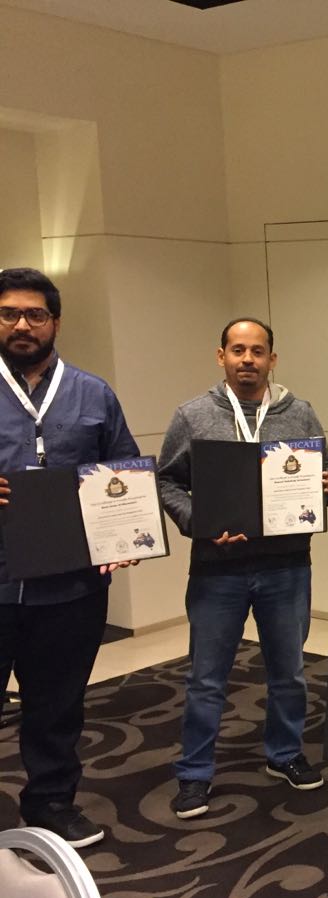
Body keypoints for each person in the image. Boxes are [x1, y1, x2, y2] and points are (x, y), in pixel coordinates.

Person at [158, 318, 328, 818]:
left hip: (286, 566)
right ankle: (195, 773)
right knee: (206, 678)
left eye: (258, 351)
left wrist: (327, 485)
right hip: (217, 569)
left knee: (290, 672)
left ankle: (285, 754)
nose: (247, 360)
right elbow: (168, 481)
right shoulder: (193, 415)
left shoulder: (299, 412)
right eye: (238, 350)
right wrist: (198, 522)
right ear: (221, 356)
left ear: (271, 360)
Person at [0, 267, 140, 847]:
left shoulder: (93, 393)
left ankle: (52, 804)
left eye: (35, 314)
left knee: (57, 705)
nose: (22, 325)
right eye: (9, 313)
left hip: (71, 587)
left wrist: (125, 537)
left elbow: (124, 472)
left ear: (55, 323)